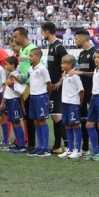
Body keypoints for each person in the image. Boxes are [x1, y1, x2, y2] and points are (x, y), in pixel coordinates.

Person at [42, 22, 68, 154]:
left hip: (58, 87)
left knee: (57, 116)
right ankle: (57, 145)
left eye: (43, 31)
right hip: (52, 87)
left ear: (47, 31)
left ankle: (68, 144)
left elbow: (69, 64)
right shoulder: (51, 46)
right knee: (54, 116)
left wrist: (61, 81)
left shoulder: (59, 47)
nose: (42, 34)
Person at [72, 29, 96, 154]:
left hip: (92, 92)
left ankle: (97, 149)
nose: (75, 41)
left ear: (82, 38)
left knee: (92, 121)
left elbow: (98, 73)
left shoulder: (95, 53)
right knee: (82, 120)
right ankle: (85, 148)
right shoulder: (81, 54)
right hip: (82, 92)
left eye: (76, 38)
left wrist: (81, 72)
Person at [26, 48, 52, 157]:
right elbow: (24, 80)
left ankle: (45, 148)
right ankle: (39, 146)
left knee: (42, 122)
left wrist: (47, 97)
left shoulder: (42, 69)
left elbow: (49, 84)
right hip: (33, 97)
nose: (29, 58)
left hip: (41, 97)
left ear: (38, 57)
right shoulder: (30, 69)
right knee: (36, 122)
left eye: (31, 56)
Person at [58, 55, 85, 159]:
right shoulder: (64, 74)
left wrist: (79, 102)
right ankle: (69, 149)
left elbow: (81, 91)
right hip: (65, 103)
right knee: (67, 125)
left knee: (75, 125)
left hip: (73, 104)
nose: (61, 65)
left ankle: (78, 150)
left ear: (69, 65)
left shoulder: (75, 76)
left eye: (63, 63)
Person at [1, 56, 28, 153]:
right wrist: (4, 101)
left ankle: (22, 145)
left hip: (14, 101)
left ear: (13, 65)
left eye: (7, 64)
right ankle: (18, 144)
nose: (5, 66)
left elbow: (20, 89)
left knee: (17, 122)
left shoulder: (15, 75)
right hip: (9, 100)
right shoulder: (10, 75)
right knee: (13, 122)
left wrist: (22, 104)